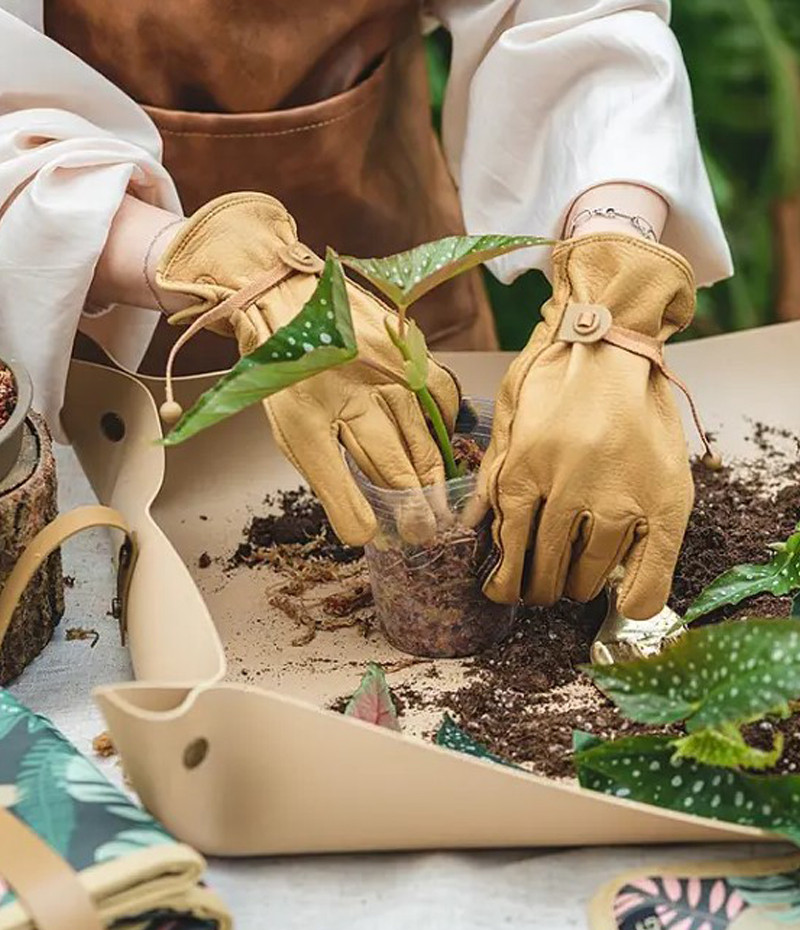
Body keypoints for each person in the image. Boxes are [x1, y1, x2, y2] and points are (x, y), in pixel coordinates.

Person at [0, 1, 732, 619]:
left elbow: (572, 21)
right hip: (110, 333)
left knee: (443, 430)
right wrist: (214, 265)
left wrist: (612, 284)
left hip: (405, 311)